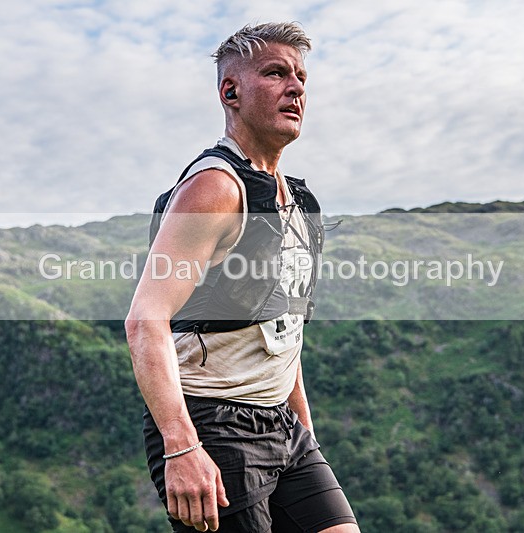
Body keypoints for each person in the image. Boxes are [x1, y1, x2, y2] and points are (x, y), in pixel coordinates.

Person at [125, 22, 359, 533]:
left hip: (283, 425)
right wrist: (182, 446)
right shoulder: (214, 188)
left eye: (301, 77)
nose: (295, 87)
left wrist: (307, 439)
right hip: (213, 425)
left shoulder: (297, 203)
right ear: (230, 91)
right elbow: (145, 319)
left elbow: (282, 334)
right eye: (276, 73)